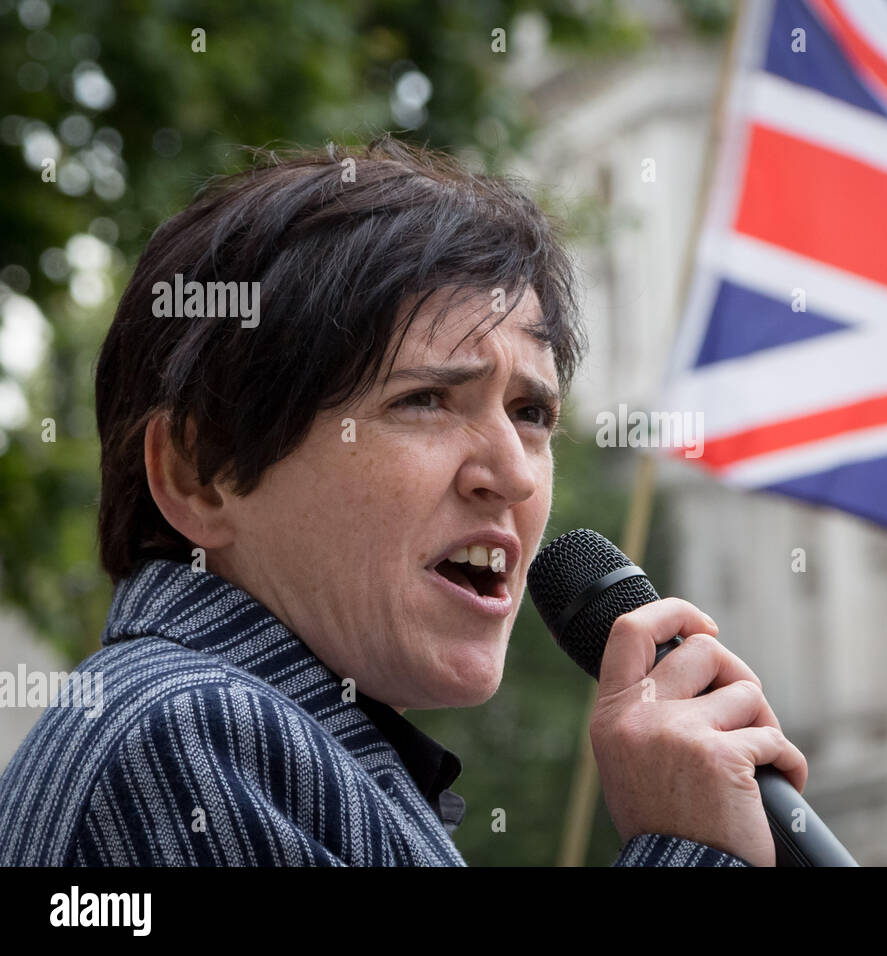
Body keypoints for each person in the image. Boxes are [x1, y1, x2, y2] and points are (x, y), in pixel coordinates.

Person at [0, 137, 807, 866]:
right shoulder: (189, 739)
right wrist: (688, 853)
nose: (514, 476)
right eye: (424, 400)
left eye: (531, 414)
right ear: (200, 474)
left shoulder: (272, 741)